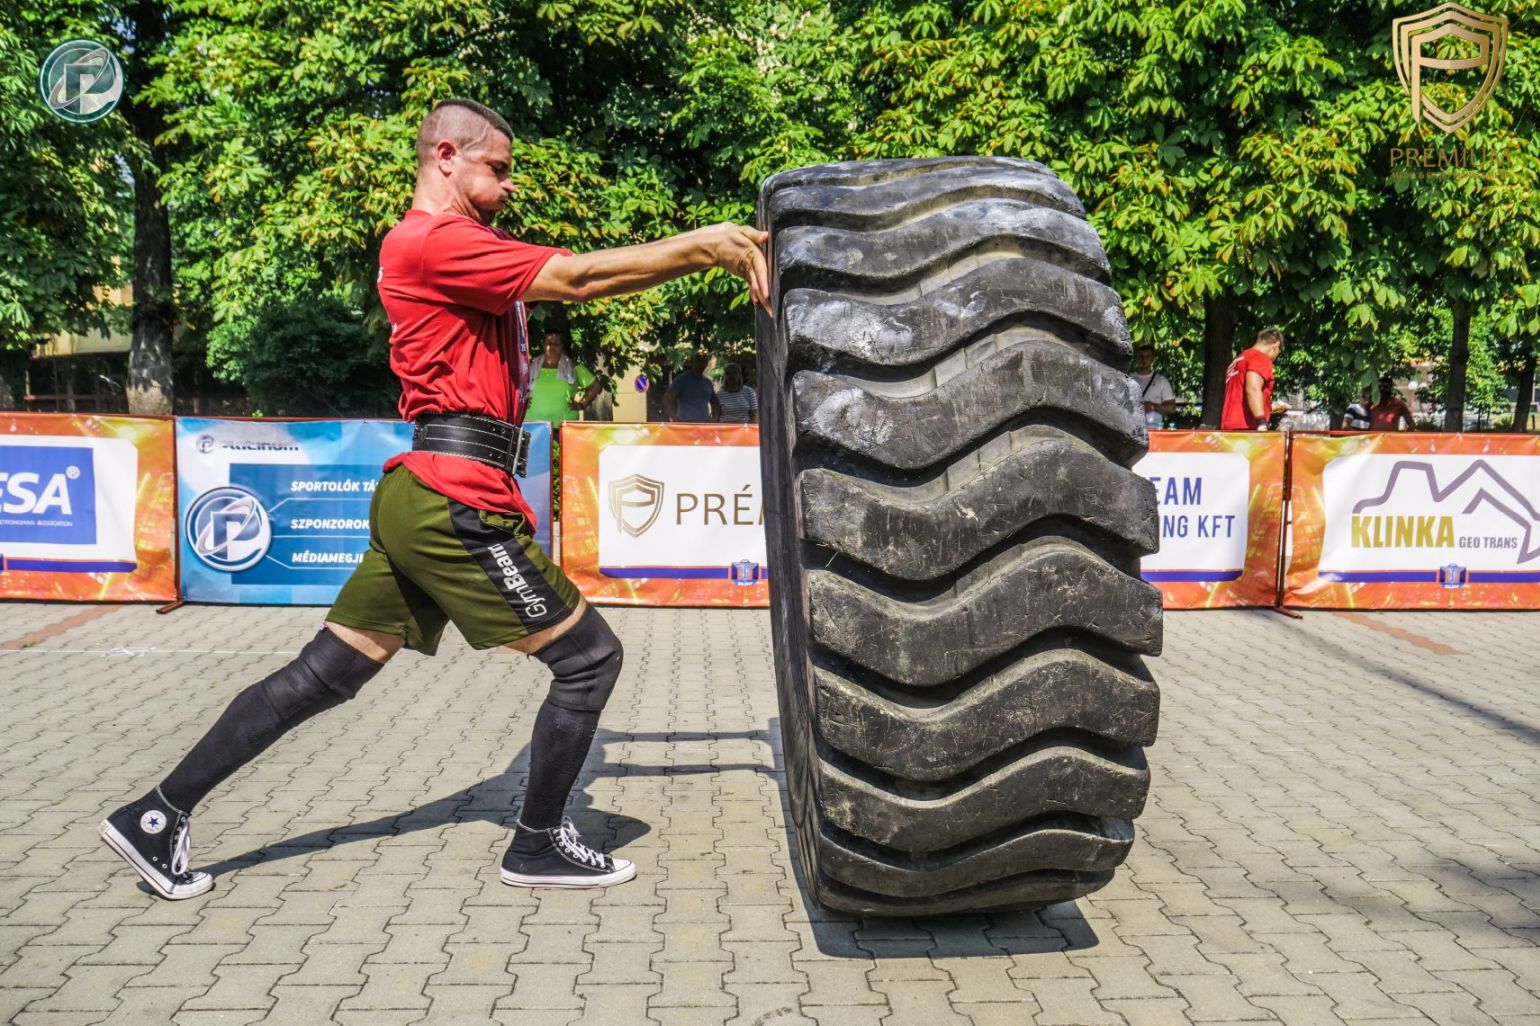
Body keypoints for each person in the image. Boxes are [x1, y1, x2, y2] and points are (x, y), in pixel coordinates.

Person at [97, 98, 770, 900]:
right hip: (454, 497)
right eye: (498, 168)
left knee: (326, 674)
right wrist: (706, 247)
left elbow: (574, 278)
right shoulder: (434, 241)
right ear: (446, 156)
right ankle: (536, 845)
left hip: (427, 492)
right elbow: (582, 278)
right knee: (590, 660)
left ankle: (154, 815)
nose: (510, 185)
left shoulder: (463, 246)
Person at [525, 327, 602, 425]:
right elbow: (516, 388)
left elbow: (596, 386)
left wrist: (581, 405)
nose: (552, 346)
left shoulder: (574, 367)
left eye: (556, 344)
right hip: (533, 424)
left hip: (564, 425)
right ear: (543, 345)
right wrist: (521, 402)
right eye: (549, 343)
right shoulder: (530, 367)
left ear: (562, 346)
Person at [1220, 327, 1288, 431]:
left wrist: (1271, 407)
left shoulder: (1239, 360)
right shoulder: (1260, 358)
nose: (1276, 357)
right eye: (1279, 352)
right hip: (1248, 429)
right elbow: (1253, 389)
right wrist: (1261, 423)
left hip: (1229, 428)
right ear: (1276, 345)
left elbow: (1240, 397)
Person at [663, 351, 719, 422]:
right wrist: (674, 418)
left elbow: (715, 402)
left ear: (706, 363)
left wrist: (714, 419)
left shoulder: (708, 382)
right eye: (698, 360)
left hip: (704, 425)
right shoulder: (682, 379)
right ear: (692, 362)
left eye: (704, 361)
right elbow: (667, 399)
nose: (701, 363)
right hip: (686, 424)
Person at [1131, 344, 1176, 429]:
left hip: (1154, 429)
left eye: (1147, 356)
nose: (1144, 359)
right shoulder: (1128, 379)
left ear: (1152, 359)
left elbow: (1172, 408)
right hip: (1132, 428)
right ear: (1136, 358)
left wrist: (1153, 406)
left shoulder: (1161, 381)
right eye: (1141, 356)